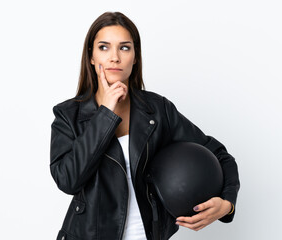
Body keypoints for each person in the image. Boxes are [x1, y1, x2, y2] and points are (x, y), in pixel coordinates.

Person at [50, 12, 240, 240]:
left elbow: (220, 155)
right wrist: (105, 114)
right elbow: (68, 180)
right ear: (91, 57)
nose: (114, 57)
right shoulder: (68, 115)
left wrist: (227, 203)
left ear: (135, 57)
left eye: (124, 48)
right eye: (103, 47)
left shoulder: (158, 109)